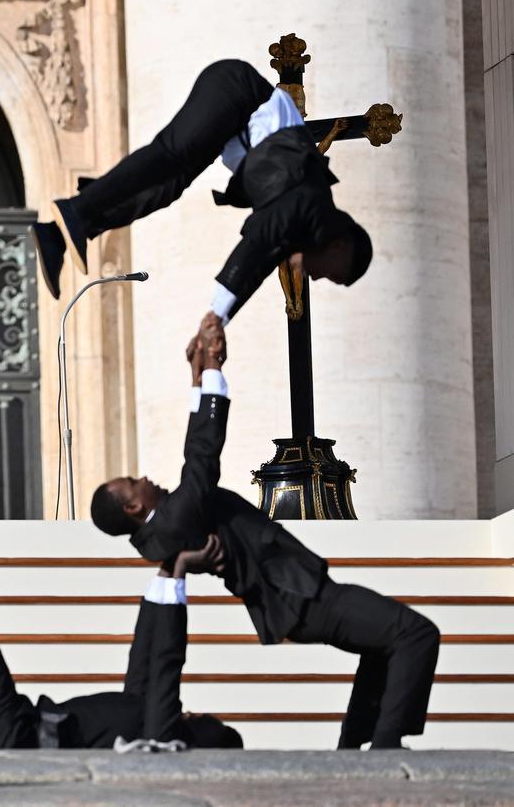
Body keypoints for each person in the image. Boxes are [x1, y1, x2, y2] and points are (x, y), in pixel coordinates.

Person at [90, 315, 439, 750]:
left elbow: (194, 457)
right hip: (301, 597)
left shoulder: (163, 530)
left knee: (385, 642)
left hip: (299, 596)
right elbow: (201, 454)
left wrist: (197, 379)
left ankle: (355, 749)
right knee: (416, 633)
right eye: (132, 481)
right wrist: (214, 369)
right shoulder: (175, 520)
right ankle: (385, 747)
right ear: (133, 506)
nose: (143, 476)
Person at [0, 429, 242, 751]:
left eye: (204, 720)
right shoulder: (143, 711)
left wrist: (179, 573)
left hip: (12, 736)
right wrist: (169, 568)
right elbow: (148, 658)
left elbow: (168, 662)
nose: (194, 712)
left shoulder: (161, 737)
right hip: (10, 728)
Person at [31, 59, 372, 319]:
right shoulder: (309, 203)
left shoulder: (297, 227)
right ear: (339, 244)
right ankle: (77, 211)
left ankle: (59, 235)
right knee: (171, 154)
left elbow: (254, 270)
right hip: (236, 92)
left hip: (231, 122)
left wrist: (218, 318)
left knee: (167, 188)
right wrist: (213, 317)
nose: (318, 277)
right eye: (333, 273)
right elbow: (253, 248)